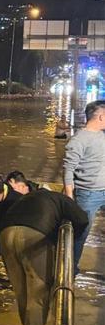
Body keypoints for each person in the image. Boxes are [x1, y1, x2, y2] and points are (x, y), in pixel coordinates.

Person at [0, 189, 88, 325]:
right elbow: (82, 219)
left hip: (6, 234)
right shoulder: (61, 198)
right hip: (34, 235)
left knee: (21, 289)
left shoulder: (26, 198)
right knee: (38, 289)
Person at [63, 99, 105, 273]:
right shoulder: (79, 140)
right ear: (101, 116)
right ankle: (69, 272)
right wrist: (69, 195)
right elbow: (68, 168)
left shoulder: (102, 136)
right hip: (88, 194)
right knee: (80, 235)